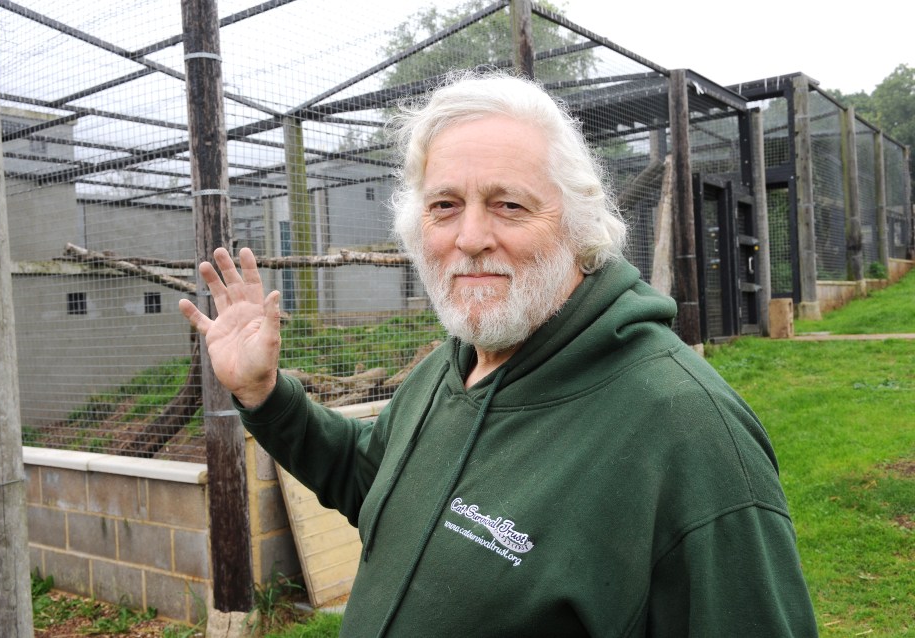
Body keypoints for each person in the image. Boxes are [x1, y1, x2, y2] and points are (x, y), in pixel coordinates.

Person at [179, 71, 818, 637]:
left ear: (578, 223)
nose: (472, 237)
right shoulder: (452, 366)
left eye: (509, 204)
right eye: (444, 206)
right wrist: (266, 395)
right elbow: (375, 480)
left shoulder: (686, 429)